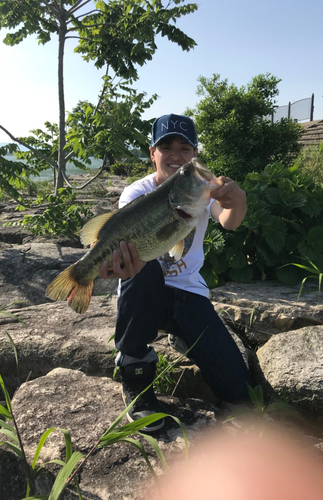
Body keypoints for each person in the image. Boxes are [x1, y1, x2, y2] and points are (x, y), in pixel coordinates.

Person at [100, 113, 251, 432]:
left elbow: (228, 220)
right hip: (144, 291)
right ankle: (135, 377)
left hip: (188, 293)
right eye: (165, 146)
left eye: (184, 147)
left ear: (194, 154)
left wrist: (237, 200)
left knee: (237, 388)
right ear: (152, 153)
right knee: (144, 269)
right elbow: (125, 251)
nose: (175, 154)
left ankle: (184, 334)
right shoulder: (136, 194)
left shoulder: (200, 187)